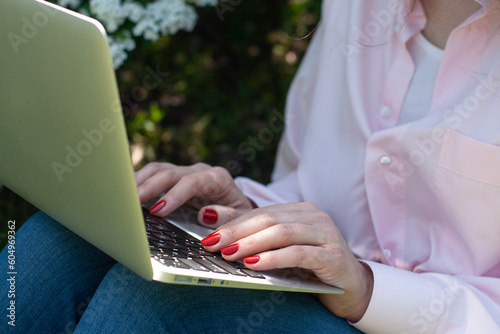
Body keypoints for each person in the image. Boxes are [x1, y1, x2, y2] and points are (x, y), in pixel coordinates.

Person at [2, 0, 500, 332]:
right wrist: (249, 209)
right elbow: (309, 174)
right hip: (315, 296)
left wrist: (370, 287)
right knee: (71, 234)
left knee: (159, 298)